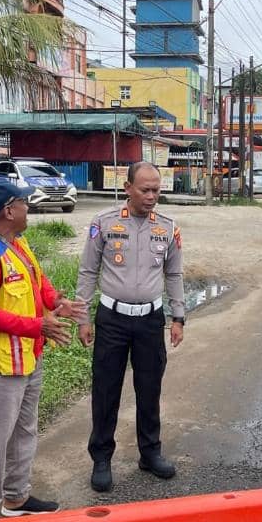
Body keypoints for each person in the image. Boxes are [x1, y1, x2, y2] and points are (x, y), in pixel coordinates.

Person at [0, 178, 87, 521]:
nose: (28, 208)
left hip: (26, 357)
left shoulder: (18, 244)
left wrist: (57, 302)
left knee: (24, 431)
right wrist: (38, 326)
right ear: (8, 210)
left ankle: (15, 498)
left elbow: (37, 282)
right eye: (24, 203)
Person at [75, 162, 185, 493]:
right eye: (145, 190)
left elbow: (174, 274)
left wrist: (177, 317)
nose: (152, 196)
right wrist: (82, 316)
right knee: (106, 391)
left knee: (149, 389)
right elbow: (87, 272)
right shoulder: (104, 224)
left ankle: (150, 453)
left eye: (156, 190)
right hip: (112, 320)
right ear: (127, 188)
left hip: (150, 320)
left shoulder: (167, 228)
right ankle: (102, 458)